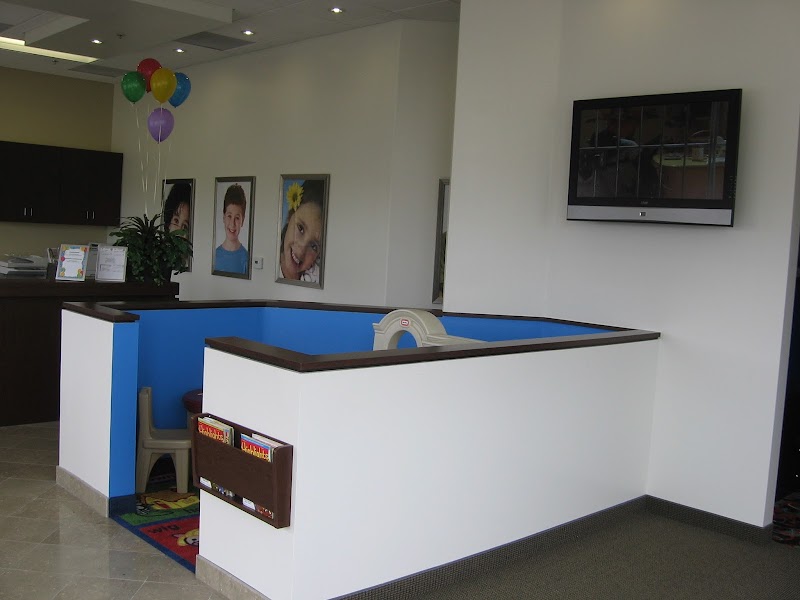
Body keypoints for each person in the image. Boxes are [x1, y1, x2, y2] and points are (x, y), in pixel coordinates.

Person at [279, 179, 324, 283]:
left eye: (314, 246)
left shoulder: (318, 277)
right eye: (300, 228)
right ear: (290, 216)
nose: (301, 251)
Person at [214, 183, 249, 274]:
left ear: (243, 220)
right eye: (229, 216)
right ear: (223, 217)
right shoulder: (214, 256)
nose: (232, 224)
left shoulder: (247, 259)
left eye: (237, 218)